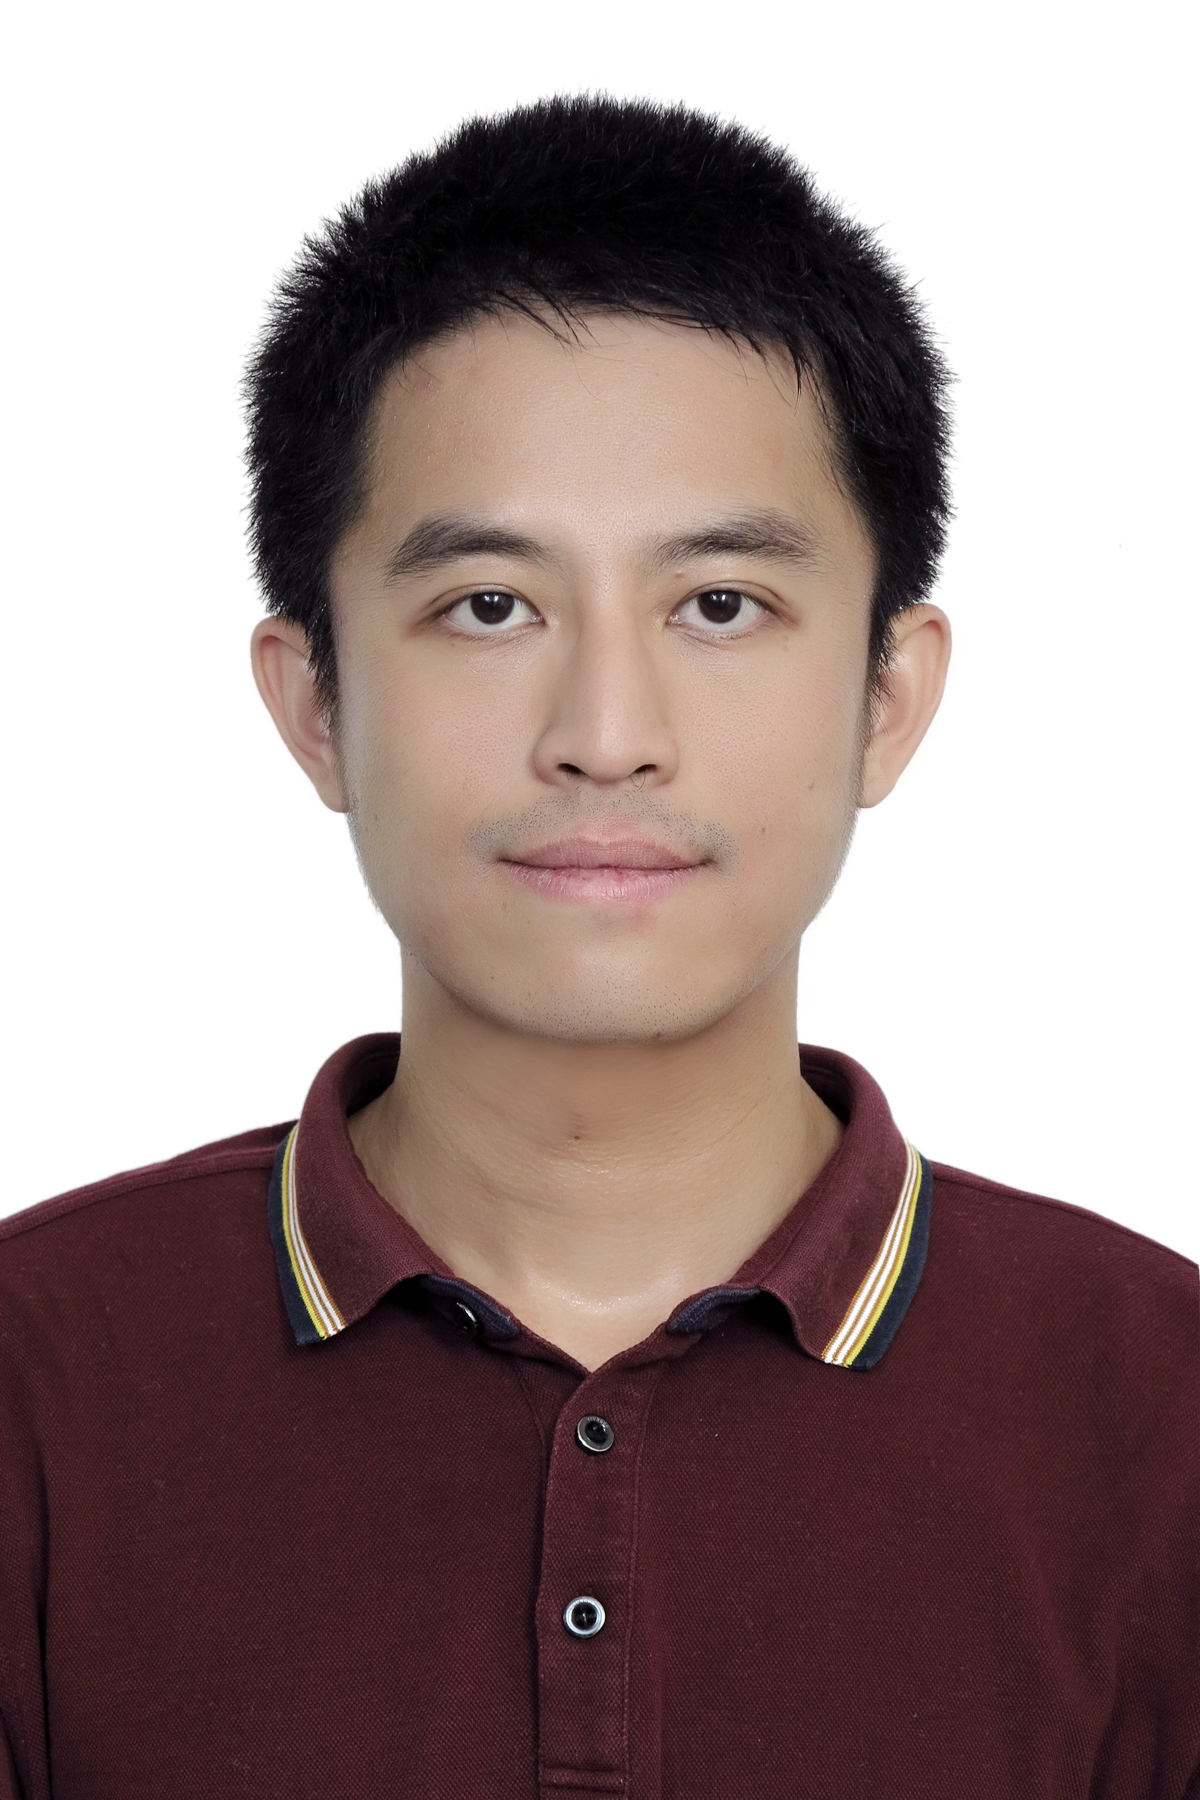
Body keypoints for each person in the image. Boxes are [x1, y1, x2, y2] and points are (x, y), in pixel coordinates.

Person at [0, 94, 1195, 1800]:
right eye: (489, 606)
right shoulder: (34, 1382)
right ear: (316, 703)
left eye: (720, 605)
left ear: (887, 697)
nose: (607, 736)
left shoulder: (1159, 1408)